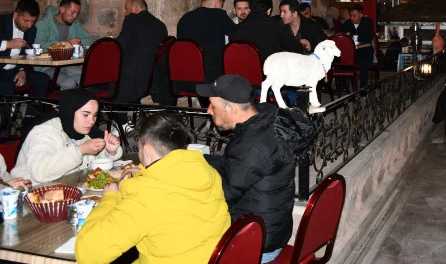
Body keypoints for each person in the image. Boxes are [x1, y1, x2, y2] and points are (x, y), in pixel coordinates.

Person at [75, 112, 230, 264]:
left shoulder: (145, 195)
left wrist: (110, 198)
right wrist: (146, 172)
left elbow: (87, 254)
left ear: (147, 151)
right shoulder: (208, 172)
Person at [197, 75, 317, 263]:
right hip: (271, 231)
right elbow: (237, 167)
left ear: (231, 109)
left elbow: (221, 196)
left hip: (257, 245)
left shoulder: (252, 146)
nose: (208, 110)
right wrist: (198, 159)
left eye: (213, 105)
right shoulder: (263, 123)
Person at [11, 89, 122, 184]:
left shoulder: (85, 131)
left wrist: (109, 152)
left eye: (95, 115)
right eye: (85, 115)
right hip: (30, 191)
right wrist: (80, 151)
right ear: (70, 111)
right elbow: (40, 172)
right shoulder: (44, 132)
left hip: (67, 188)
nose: (92, 121)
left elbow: (93, 167)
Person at [114, 0, 168, 103]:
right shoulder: (161, 26)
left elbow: (118, 47)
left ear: (136, 8)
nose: (125, 14)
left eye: (127, 9)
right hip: (153, 81)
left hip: (131, 81)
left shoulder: (132, 19)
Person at [34, 0, 94, 90]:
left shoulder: (74, 23)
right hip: (46, 66)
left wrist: (78, 42)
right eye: (72, 12)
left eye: (77, 13)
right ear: (62, 9)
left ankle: (82, 99)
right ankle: (59, 99)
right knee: (69, 83)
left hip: (67, 64)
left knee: (87, 79)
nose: (75, 16)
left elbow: (88, 40)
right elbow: (38, 48)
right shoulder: (44, 24)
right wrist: (64, 44)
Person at [177, 0, 235, 83]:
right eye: (221, 5)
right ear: (217, 3)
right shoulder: (218, 14)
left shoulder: (185, 18)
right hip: (211, 75)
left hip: (187, 73)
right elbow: (236, 33)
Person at [0, 0, 50, 104]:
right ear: (15, 15)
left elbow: (26, 55)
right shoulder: (1, 22)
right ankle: (6, 115)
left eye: (33, 21)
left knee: (43, 80)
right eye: (26, 21)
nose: (29, 25)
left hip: (14, 70)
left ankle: (32, 114)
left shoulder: (32, 30)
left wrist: (23, 70)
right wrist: (7, 44)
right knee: (6, 86)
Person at [229, 0, 303, 63]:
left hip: (243, 70)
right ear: (269, 10)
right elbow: (297, 49)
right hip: (269, 70)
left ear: (250, 9)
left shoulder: (235, 29)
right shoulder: (277, 26)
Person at [347, 5, 375, 88]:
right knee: (340, 59)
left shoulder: (367, 22)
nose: (352, 18)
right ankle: (342, 87)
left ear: (361, 15)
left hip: (365, 51)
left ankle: (363, 88)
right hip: (352, 52)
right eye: (351, 16)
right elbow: (342, 33)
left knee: (364, 61)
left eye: (354, 16)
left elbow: (367, 38)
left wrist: (351, 34)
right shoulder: (348, 22)